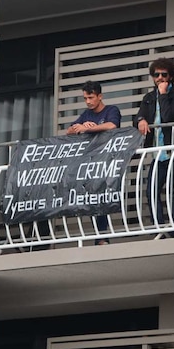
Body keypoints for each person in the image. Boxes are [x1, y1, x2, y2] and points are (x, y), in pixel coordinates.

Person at [66, 80, 122, 245]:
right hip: (90, 164)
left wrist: (89, 129)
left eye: (91, 97)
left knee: (103, 197)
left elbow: (113, 125)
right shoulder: (86, 114)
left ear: (100, 96)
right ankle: (100, 237)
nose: (88, 101)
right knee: (93, 199)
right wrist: (81, 125)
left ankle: (102, 237)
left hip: (108, 161)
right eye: (85, 98)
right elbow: (69, 131)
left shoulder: (111, 110)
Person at [134, 58, 174, 232]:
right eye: (157, 75)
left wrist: (163, 95)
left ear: (170, 76)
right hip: (157, 153)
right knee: (152, 191)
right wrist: (140, 120)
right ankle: (159, 228)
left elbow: (168, 116)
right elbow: (139, 116)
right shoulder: (148, 97)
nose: (160, 78)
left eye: (164, 74)